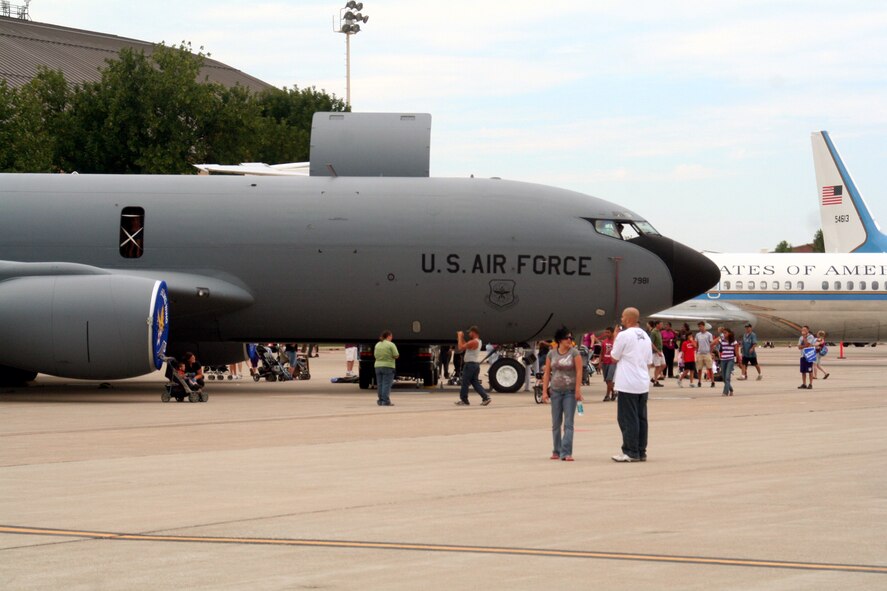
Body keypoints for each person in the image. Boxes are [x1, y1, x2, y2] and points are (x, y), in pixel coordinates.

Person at [611, 307, 653, 463]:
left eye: (622, 317)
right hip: (642, 382)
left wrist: (616, 337)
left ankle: (630, 451)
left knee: (627, 418)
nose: (621, 319)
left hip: (628, 383)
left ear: (628, 319)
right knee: (641, 418)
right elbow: (649, 362)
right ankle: (641, 450)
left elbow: (614, 357)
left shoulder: (624, 335)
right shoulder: (645, 336)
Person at [542, 326, 584, 461]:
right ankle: (556, 450)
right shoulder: (551, 354)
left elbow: (579, 372)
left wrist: (578, 390)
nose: (569, 340)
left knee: (568, 423)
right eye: (567, 338)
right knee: (555, 423)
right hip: (555, 391)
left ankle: (566, 452)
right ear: (559, 340)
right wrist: (544, 392)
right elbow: (547, 373)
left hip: (570, 392)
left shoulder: (575, 353)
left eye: (571, 338)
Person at [455, 326, 492, 406]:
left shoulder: (474, 342)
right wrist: (461, 339)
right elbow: (465, 345)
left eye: (470, 332)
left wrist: (459, 336)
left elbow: (460, 348)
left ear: (473, 332)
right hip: (475, 365)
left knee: (465, 382)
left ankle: (464, 400)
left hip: (470, 365)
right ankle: (486, 397)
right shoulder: (478, 341)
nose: (469, 334)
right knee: (475, 382)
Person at [374, 331, 398, 406]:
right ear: (388, 336)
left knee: (380, 384)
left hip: (378, 366)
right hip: (388, 366)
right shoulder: (391, 345)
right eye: (391, 336)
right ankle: (385, 401)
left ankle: (380, 400)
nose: (392, 338)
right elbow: (396, 355)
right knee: (386, 384)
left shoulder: (377, 344)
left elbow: (375, 355)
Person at [714, 328, 739, 396]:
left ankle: (725, 392)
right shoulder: (722, 340)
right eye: (723, 333)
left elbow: (737, 353)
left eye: (725, 333)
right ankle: (731, 389)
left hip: (730, 360)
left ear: (729, 333)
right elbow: (713, 343)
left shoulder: (734, 341)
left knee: (727, 377)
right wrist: (719, 337)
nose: (724, 334)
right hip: (723, 360)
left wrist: (739, 362)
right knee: (724, 378)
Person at [598, 327, 616, 401]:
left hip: (612, 362)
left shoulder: (615, 342)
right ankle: (613, 392)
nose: (606, 334)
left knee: (609, 379)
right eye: (606, 332)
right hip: (605, 362)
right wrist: (599, 362)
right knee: (606, 380)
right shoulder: (604, 342)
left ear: (612, 333)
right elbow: (601, 353)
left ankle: (607, 395)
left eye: (608, 332)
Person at [695, 322, 714, 388]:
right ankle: (699, 381)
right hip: (700, 353)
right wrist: (697, 351)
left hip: (707, 353)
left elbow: (712, 344)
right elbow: (696, 344)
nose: (700, 328)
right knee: (699, 369)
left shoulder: (709, 334)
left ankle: (712, 381)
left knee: (710, 368)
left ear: (704, 326)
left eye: (701, 326)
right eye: (699, 327)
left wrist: (710, 352)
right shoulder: (697, 335)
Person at [797, 325, 817, 389]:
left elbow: (808, 345)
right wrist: (803, 345)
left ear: (808, 330)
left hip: (809, 354)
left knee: (810, 370)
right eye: (802, 330)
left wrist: (805, 338)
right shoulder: (801, 337)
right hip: (803, 355)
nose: (803, 331)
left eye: (804, 330)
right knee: (803, 371)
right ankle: (804, 383)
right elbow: (799, 347)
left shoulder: (810, 336)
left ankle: (810, 384)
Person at [648, 321, 665, 386]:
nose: (662, 325)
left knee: (663, 365)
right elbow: (651, 343)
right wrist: (657, 351)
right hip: (656, 352)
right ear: (657, 325)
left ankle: (654, 378)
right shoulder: (653, 332)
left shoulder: (659, 332)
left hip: (660, 351)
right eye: (661, 324)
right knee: (657, 366)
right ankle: (655, 381)